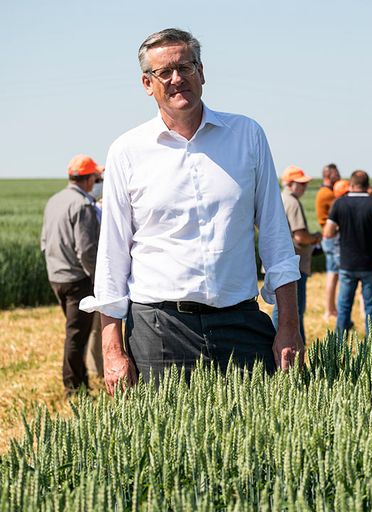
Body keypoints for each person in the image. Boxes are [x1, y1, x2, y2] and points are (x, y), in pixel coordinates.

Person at [79, 28, 303, 395]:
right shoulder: (127, 150)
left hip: (240, 320)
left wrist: (290, 326)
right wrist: (112, 348)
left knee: (254, 441)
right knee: (163, 444)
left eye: (186, 66)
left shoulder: (247, 135)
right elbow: (113, 255)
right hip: (158, 328)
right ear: (147, 84)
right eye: (164, 72)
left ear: (202, 72)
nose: (177, 78)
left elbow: (277, 240)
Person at [41, 155, 103, 396]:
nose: (96, 182)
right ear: (87, 180)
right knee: (77, 335)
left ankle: (82, 380)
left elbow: (44, 241)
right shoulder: (83, 206)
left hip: (56, 276)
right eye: (95, 178)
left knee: (76, 331)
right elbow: (86, 250)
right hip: (78, 280)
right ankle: (74, 389)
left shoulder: (55, 200)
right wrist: (99, 279)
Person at [324, 170, 372, 336]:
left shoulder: (339, 204)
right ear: (367, 186)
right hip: (370, 263)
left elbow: (328, 232)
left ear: (351, 185)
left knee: (344, 307)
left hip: (347, 262)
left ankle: (339, 345)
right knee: (370, 307)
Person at [273, 166, 322, 342]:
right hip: (295, 262)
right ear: (290, 184)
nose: (304, 187)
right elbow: (300, 236)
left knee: (281, 307)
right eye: (301, 184)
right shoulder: (292, 202)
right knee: (293, 310)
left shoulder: (277, 198)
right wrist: (316, 238)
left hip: (279, 261)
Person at [315, 163, 341, 321]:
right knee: (333, 274)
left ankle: (331, 308)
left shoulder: (325, 192)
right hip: (331, 237)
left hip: (328, 237)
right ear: (329, 175)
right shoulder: (327, 194)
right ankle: (330, 309)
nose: (339, 176)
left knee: (333, 273)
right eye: (336, 173)